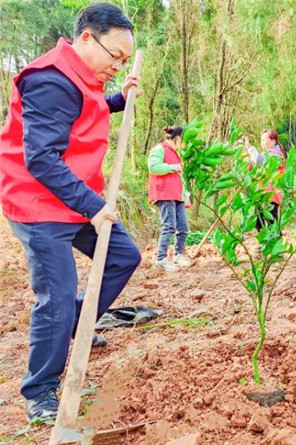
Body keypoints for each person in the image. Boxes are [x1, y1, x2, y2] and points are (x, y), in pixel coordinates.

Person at [0, 3, 142, 422]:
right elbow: (41, 159)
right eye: (115, 56)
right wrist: (95, 206)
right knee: (56, 296)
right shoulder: (49, 80)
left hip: (74, 201)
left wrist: (119, 99)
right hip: (39, 205)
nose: (117, 65)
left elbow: (83, 110)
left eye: (124, 60)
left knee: (123, 257)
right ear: (85, 39)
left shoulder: (81, 75)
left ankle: (74, 329)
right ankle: (39, 391)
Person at [148, 125, 192, 272]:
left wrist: (185, 195)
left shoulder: (177, 153)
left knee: (183, 227)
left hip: (177, 195)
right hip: (164, 194)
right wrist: (172, 167)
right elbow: (153, 167)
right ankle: (161, 259)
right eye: (183, 140)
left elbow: (180, 177)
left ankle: (179, 254)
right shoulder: (159, 149)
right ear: (178, 138)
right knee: (168, 226)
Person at [256, 129, 285, 231]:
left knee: (271, 221)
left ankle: (275, 244)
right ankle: (266, 245)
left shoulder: (276, 155)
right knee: (259, 222)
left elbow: (260, 161)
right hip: (262, 193)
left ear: (273, 141)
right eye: (261, 140)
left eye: (265, 140)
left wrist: (249, 149)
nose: (262, 143)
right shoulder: (265, 154)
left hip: (272, 194)